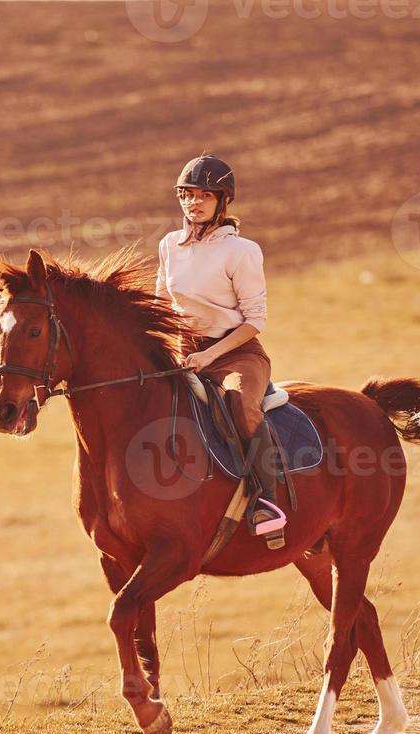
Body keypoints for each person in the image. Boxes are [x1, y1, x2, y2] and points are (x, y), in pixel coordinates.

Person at [154, 153, 287, 543]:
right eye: (186, 194)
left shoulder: (241, 251)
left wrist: (210, 356)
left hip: (235, 354)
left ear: (222, 200)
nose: (192, 203)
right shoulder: (168, 245)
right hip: (184, 351)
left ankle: (268, 502)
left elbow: (255, 321)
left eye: (203, 195)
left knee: (238, 404)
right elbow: (162, 304)